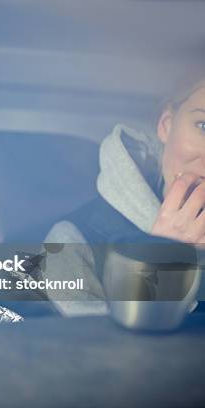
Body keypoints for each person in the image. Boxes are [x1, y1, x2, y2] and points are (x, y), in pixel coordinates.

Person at [44, 62, 205, 316]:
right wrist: (163, 257)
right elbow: (106, 353)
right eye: (203, 126)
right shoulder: (74, 241)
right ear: (166, 125)